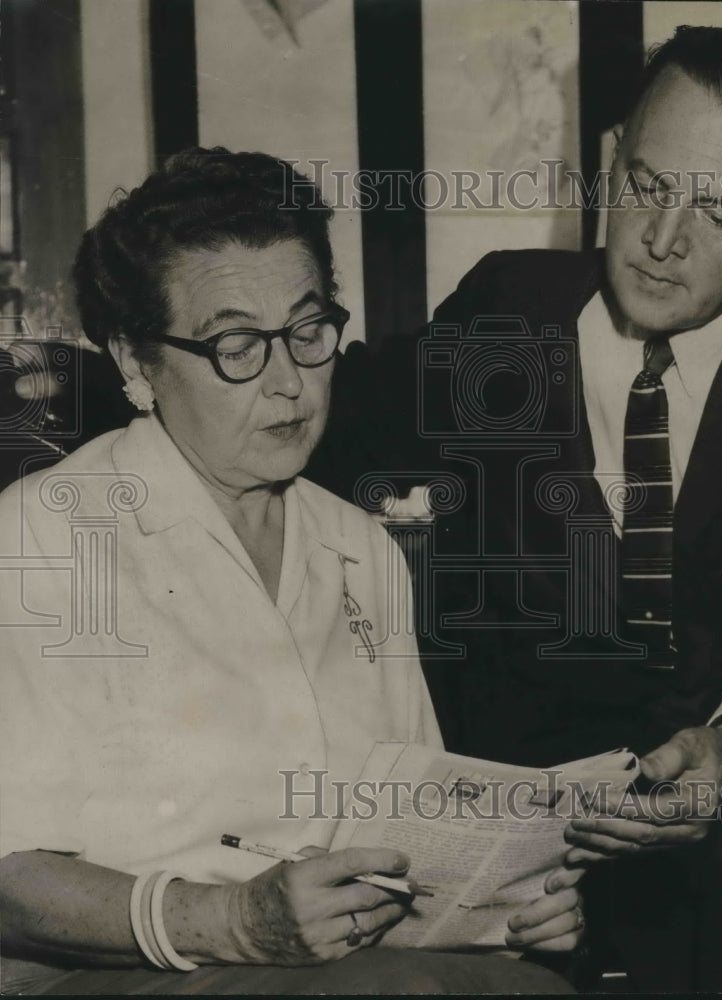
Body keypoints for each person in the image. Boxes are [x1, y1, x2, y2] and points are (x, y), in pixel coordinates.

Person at [306, 27, 722, 990]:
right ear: (610, 160)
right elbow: (319, 423)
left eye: (718, 210)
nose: (663, 240)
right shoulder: (504, 311)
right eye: (650, 186)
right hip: (527, 839)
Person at [0, 149, 583, 995]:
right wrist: (234, 922)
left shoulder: (360, 545)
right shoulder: (45, 538)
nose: (289, 383)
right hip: (111, 972)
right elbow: (9, 877)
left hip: (340, 970)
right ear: (134, 363)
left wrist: (508, 903)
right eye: (237, 344)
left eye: (308, 332)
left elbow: (410, 832)